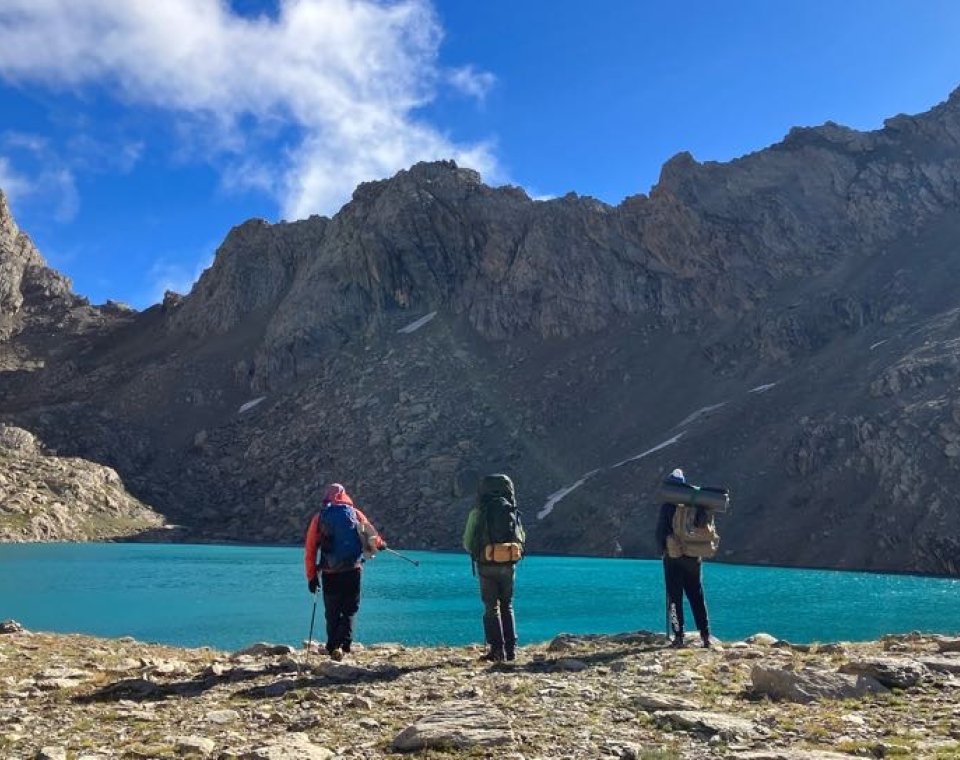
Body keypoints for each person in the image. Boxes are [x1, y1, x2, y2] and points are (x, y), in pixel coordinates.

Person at [304, 482, 385, 661]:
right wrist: (381, 544)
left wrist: (311, 577)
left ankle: (333, 645)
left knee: (332, 610)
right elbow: (372, 536)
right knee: (350, 609)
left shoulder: (320, 517)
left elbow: (310, 549)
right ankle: (343, 644)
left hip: (329, 572)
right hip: (353, 570)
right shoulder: (355, 514)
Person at [462, 473, 526, 663]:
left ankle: (496, 650)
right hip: (508, 564)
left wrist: (480, 550)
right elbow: (521, 536)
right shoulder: (512, 511)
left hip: (486, 564)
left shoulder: (478, 512)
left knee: (491, 607)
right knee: (508, 604)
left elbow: (467, 542)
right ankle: (511, 650)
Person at [655, 468, 712, 648]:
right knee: (696, 596)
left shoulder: (668, 506)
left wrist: (662, 549)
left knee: (674, 598)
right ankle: (705, 636)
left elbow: (660, 532)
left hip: (673, 557)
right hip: (694, 558)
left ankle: (678, 636)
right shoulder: (697, 505)